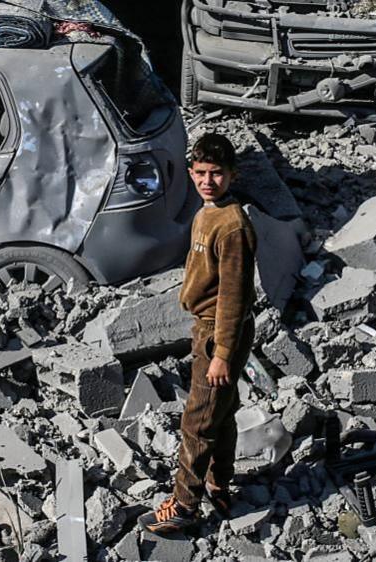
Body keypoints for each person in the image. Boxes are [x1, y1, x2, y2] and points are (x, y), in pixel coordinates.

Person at [139, 133, 258, 533]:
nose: (209, 181)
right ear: (191, 173)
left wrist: (223, 350)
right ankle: (218, 483)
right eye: (202, 173)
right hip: (206, 327)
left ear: (232, 175)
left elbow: (234, 294)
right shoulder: (206, 212)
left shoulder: (232, 225)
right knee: (220, 412)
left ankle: (185, 506)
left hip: (218, 331)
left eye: (217, 174)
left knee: (197, 420)